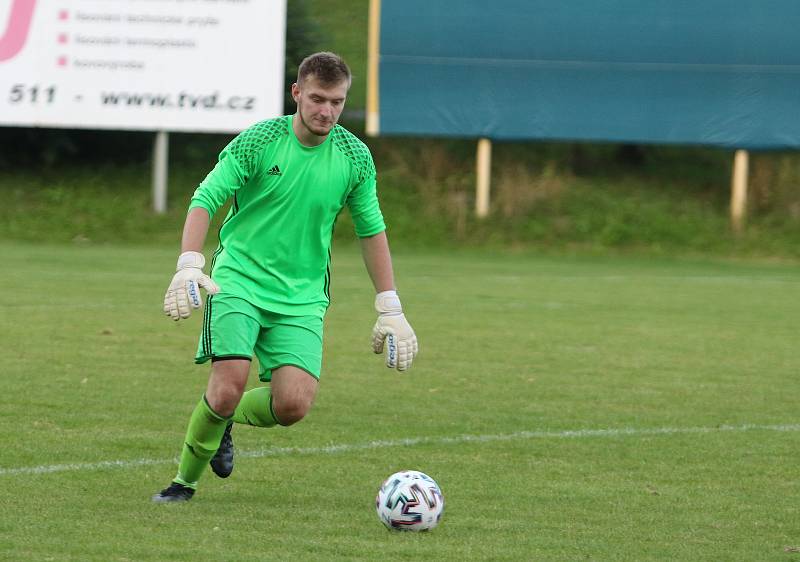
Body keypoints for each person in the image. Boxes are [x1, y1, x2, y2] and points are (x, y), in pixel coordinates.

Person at [152, 52, 418, 503]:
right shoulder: (260, 142)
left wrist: (390, 305)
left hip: (302, 297)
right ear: (297, 93)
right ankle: (183, 483)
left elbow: (371, 229)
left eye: (336, 102)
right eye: (317, 99)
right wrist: (188, 262)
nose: (326, 111)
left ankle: (228, 422)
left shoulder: (354, 156)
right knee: (227, 386)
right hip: (237, 281)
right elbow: (206, 196)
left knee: (293, 405)